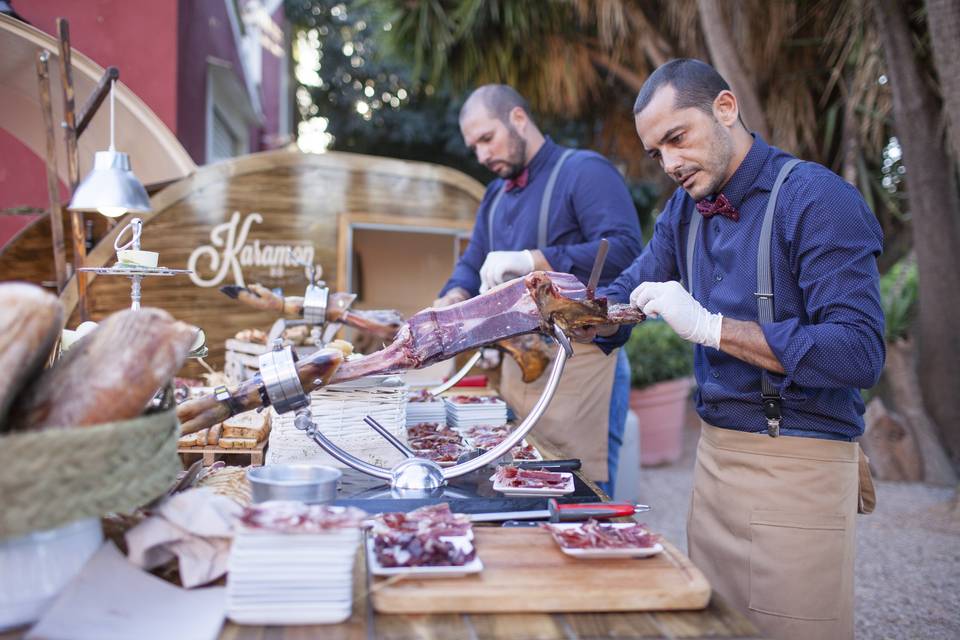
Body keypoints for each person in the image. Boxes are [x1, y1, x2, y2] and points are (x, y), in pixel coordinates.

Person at [577, 59, 883, 640]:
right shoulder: (683, 212)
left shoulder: (817, 198)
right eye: (655, 154)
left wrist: (713, 328)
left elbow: (858, 353)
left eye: (677, 138)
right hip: (714, 465)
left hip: (798, 464)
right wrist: (568, 309)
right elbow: (626, 291)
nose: (669, 164)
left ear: (725, 108)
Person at [433, 84, 642, 493]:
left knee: (580, 498)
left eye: (486, 139)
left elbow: (624, 249)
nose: (481, 155)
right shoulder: (494, 196)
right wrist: (452, 299)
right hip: (517, 370)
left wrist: (532, 261)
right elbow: (470, 264)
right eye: (473, 146)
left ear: (518, 118)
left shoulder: (585, 171)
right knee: (517, 490)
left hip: (579, 367)